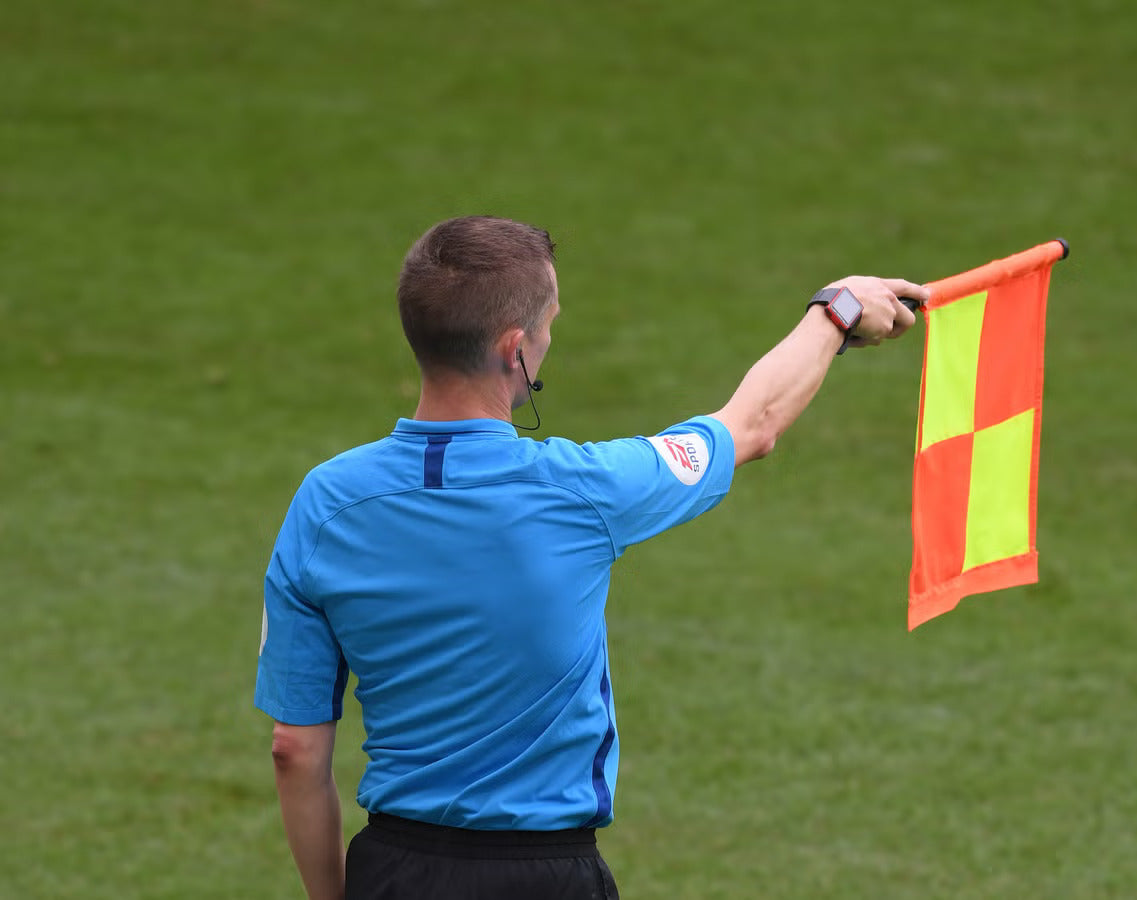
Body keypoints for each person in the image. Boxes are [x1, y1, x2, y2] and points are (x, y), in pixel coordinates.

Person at [255, 215, 927, 900]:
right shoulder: (583, 489)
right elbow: (750, 422)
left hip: (394, 868)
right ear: (514, 348)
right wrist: (835, 312)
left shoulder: (323, 506)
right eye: (549, 325)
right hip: (545, 877)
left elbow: (296, 748)